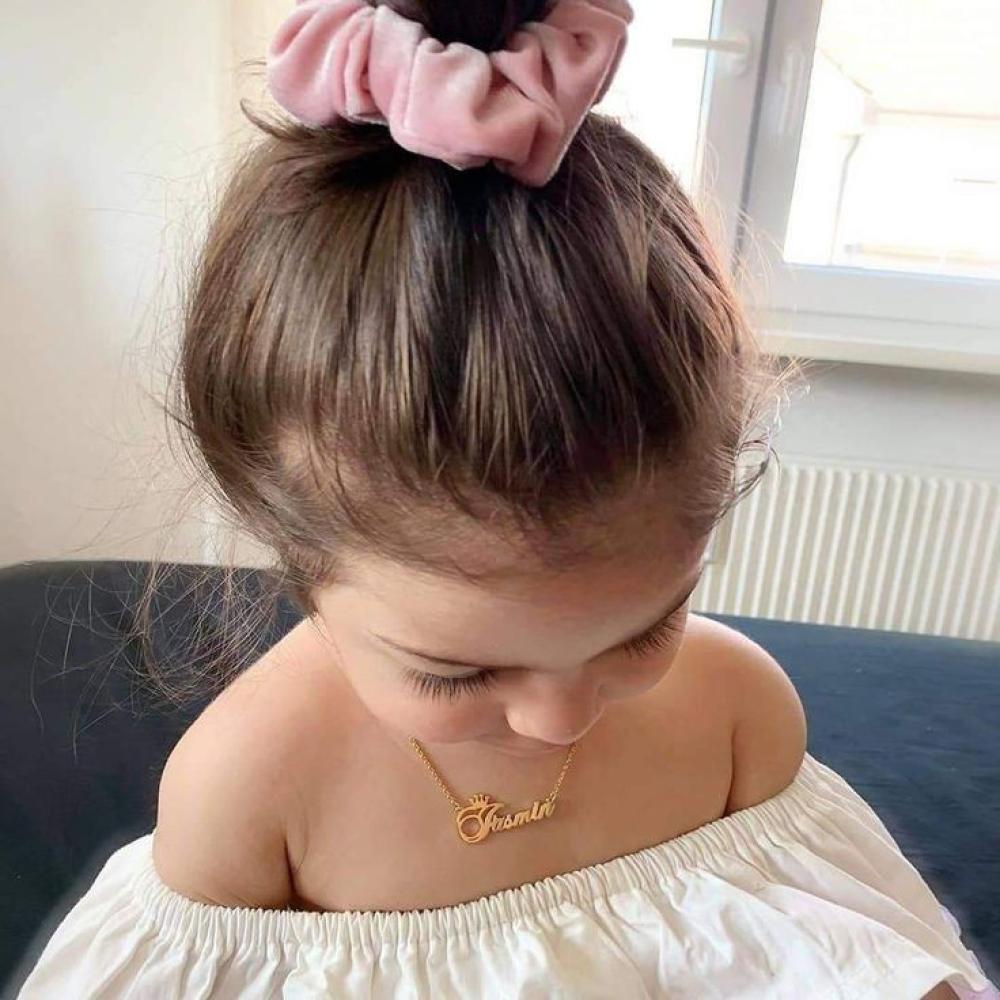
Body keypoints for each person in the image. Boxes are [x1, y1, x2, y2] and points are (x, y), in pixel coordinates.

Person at [15, 1, 997, 997]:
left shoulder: (738, 715)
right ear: (293, 550)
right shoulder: (251, 791)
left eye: (644, 629)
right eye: (457, 673)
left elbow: (849, 953)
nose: (560, 719)